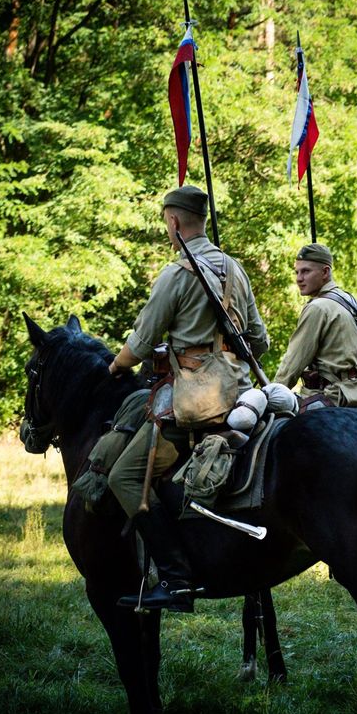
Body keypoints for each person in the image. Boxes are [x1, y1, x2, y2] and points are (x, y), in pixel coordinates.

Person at [108, 185, 269, 612]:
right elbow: (261, 340)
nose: (167, 229)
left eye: (166, 222)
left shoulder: (177, 273)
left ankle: (176, 579)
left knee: (122, 477)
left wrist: (115, 368)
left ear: (174, 221)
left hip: (197, 398)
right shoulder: (235, 269)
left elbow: (141, 343)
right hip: (239, 391)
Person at [274, 243, 357, 419]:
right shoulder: (350, 300)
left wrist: (273, 391)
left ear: (325, 272)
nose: (299, 278)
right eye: (297, 272)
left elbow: (293, 363)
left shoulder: (318, 307)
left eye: (306, 271)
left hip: (328, 396)